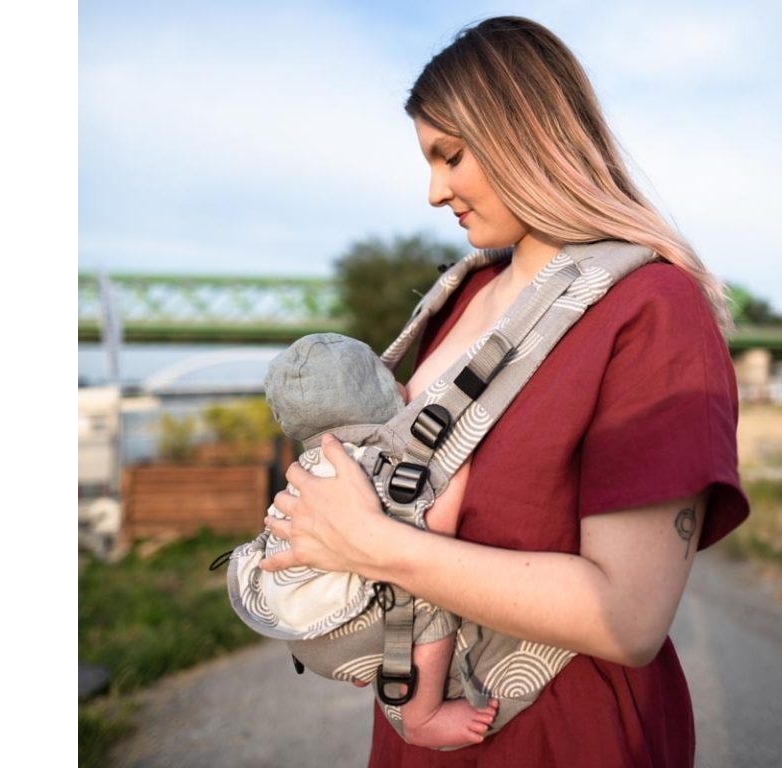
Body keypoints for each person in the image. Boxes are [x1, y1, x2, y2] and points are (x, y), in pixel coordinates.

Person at [262, 16, 750, 766]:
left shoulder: (651, 311)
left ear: (526, 133)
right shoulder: (460, 295)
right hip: (418, 732)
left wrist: (372, 544)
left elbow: (629, 620)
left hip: (559, 733)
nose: (434, 192)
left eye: (451, 156)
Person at [252, 332, 497, 749]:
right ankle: (423, 716)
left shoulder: (307, 471)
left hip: (304, 633)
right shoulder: (385, 461)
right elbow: (432, 529)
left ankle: (370, 655)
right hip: (357, 630)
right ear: (394, 394)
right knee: (432, 590)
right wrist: (460, 468)